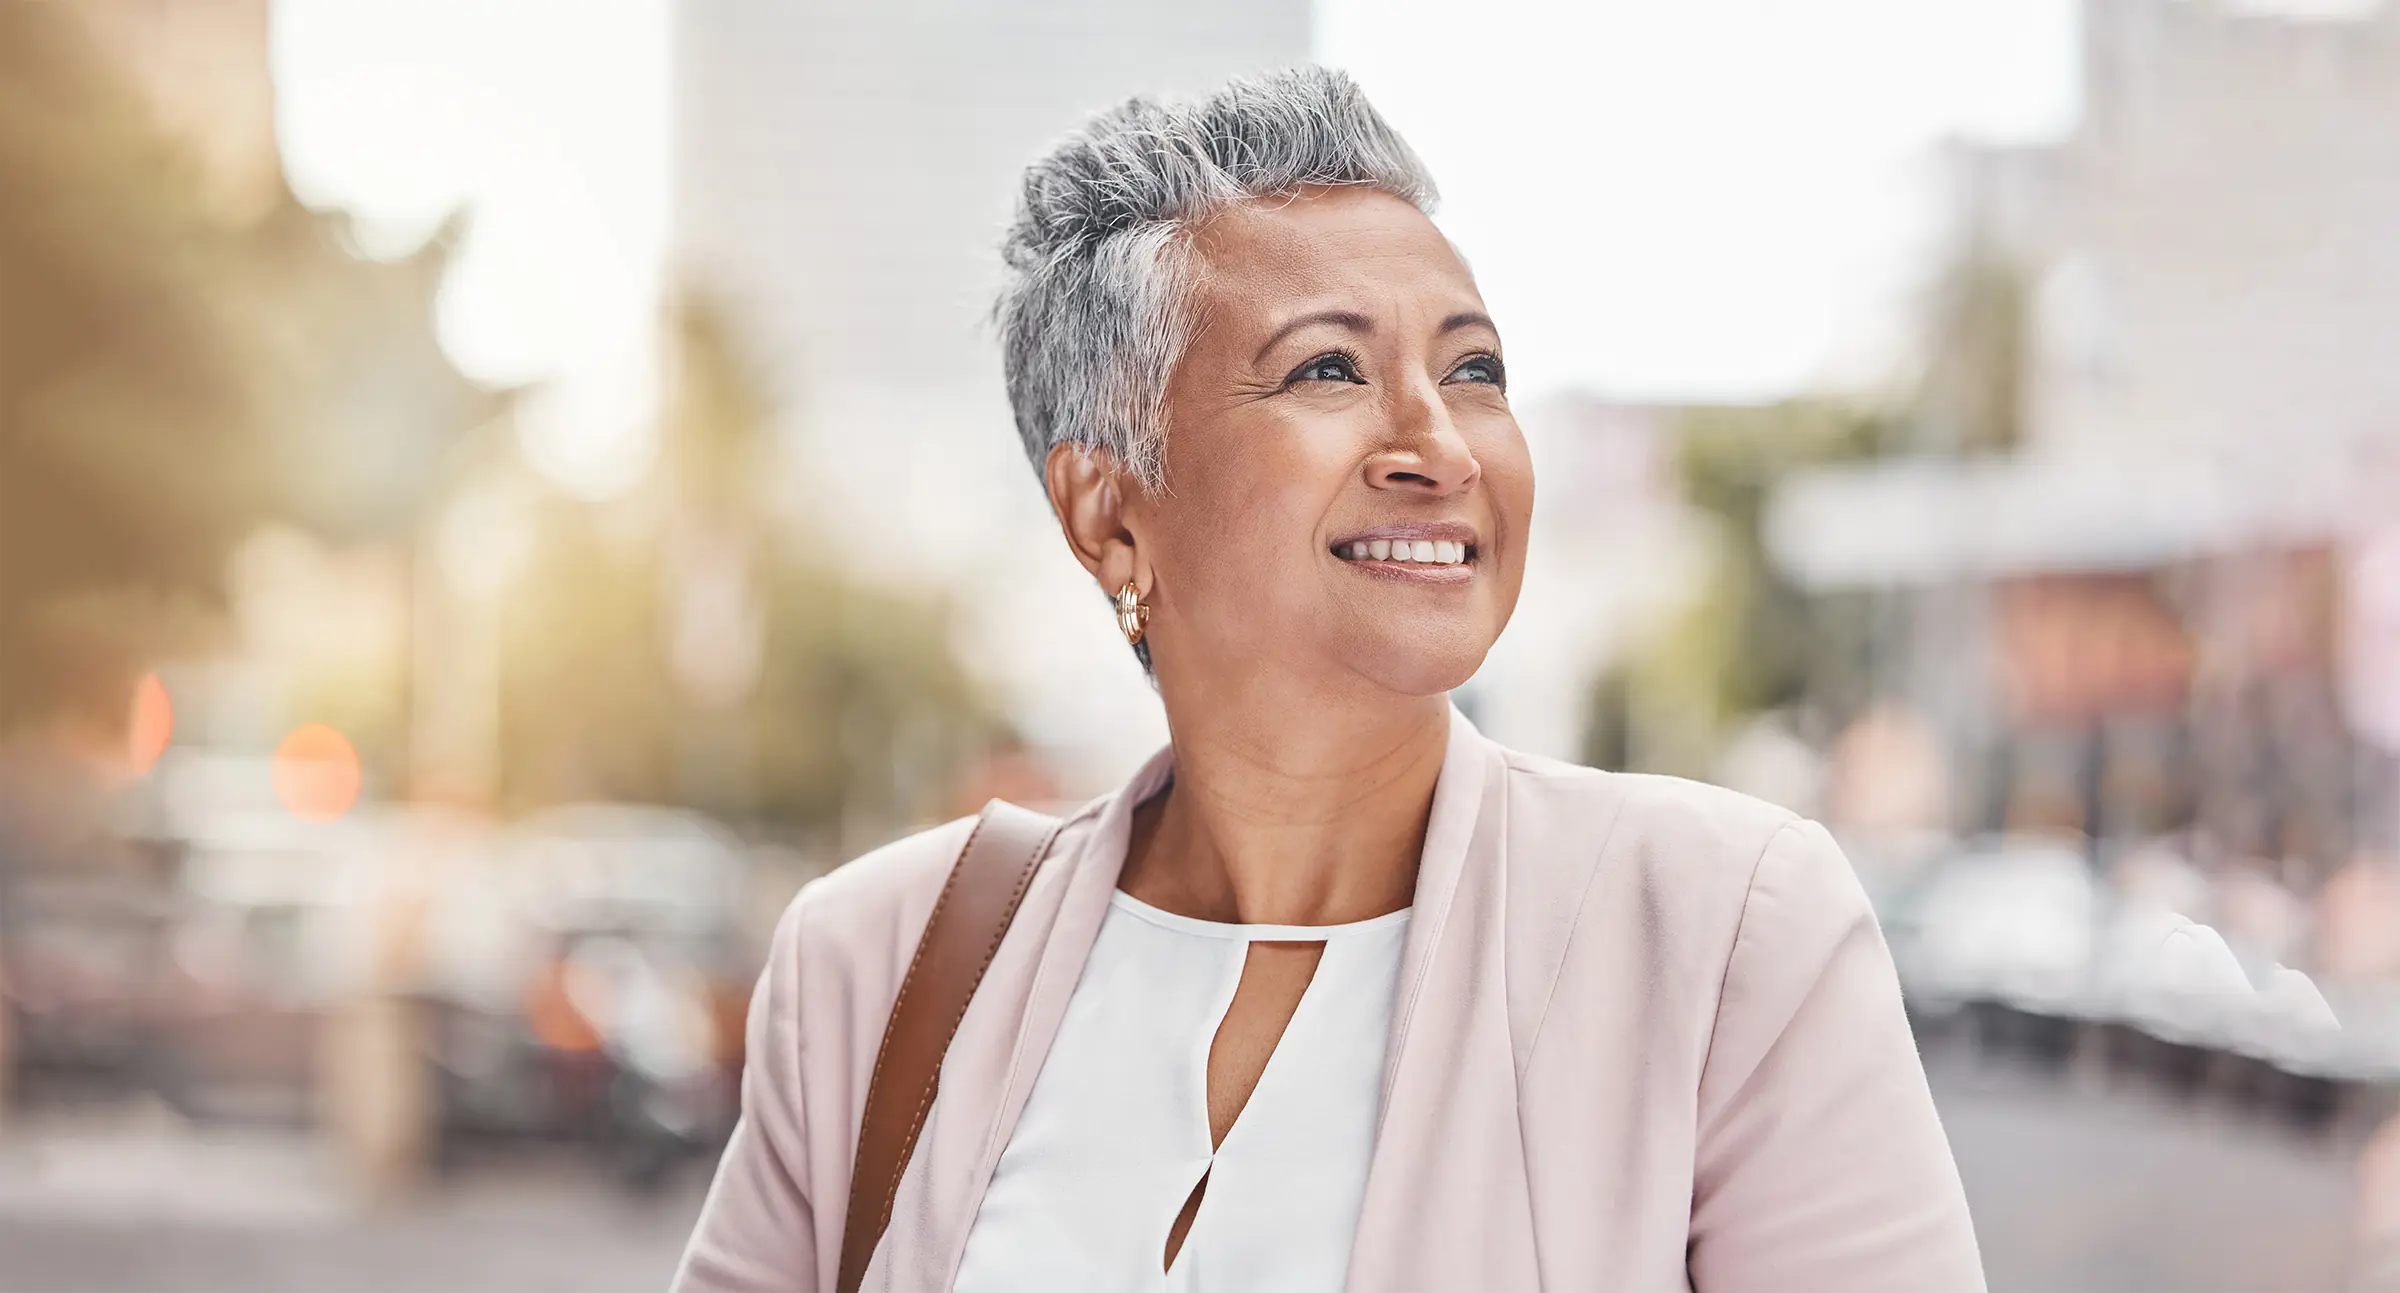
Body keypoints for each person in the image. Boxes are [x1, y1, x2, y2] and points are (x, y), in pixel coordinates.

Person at [672, 66, 1982, 1292]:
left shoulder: (1720, 929)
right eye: (1329, 368)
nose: (1441, 445)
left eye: (1473, 369)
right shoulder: (876, 965)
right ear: (1108, 510)